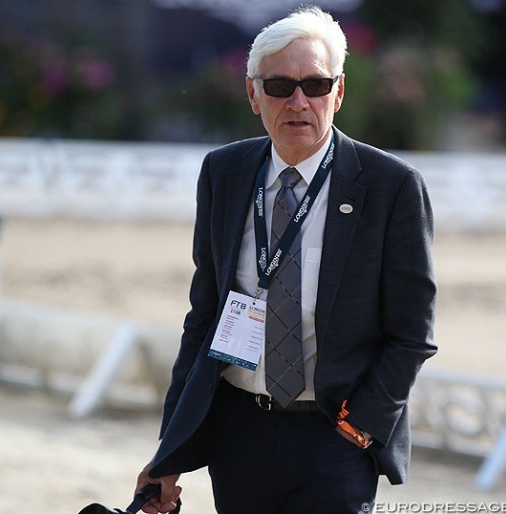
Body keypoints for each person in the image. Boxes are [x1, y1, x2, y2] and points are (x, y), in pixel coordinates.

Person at [135, 6, 437, 513]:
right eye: (279, 86)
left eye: (316, 85)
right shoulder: (224, 172)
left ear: (338, 92)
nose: (299, 102)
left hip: (334, 435)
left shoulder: (392, 187)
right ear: (254, 95)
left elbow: (412, 332)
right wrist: (170, 451)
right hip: (239, 433)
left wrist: (363, 424)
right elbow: (204, 318)